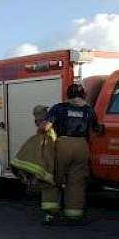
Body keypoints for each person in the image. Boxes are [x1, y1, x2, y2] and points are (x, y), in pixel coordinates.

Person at [39, 83, 99, 224]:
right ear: (83, 95)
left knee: (52, 178)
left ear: (68, 95)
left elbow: (46, 127)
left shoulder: (59, 108)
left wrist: (41, 125)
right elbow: (97, 128)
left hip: (63, 145)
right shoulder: (89, 110)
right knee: (76, 181)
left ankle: (50, 214)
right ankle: (74, 214)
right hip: (82, 147)